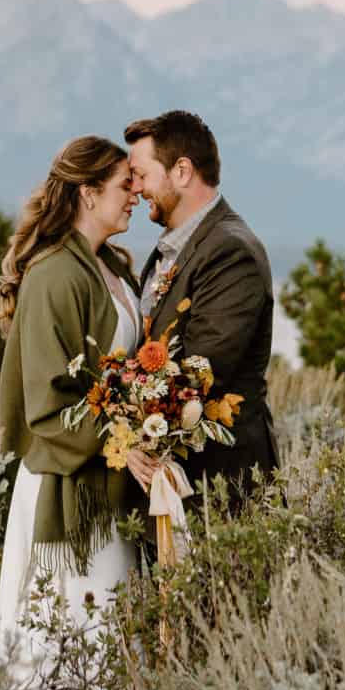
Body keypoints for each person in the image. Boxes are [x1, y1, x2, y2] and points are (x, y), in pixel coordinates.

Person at [0, 134, 143, 690]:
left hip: (108, 482)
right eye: (126, 185)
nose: (136, 195)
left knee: (110, 637)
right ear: (87, 192)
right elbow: (50, 407)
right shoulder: (55, 274)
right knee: (69, 641)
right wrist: (130, 443)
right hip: (69, 492)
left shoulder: (112, 270)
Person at [123, 110, 278, 506]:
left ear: (182, 170)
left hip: (220, 489)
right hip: (176, 485)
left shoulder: (230, 251)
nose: (135, 189)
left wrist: (121, 426)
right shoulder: (174, 249)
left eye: (142, 174)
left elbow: (201, 372)